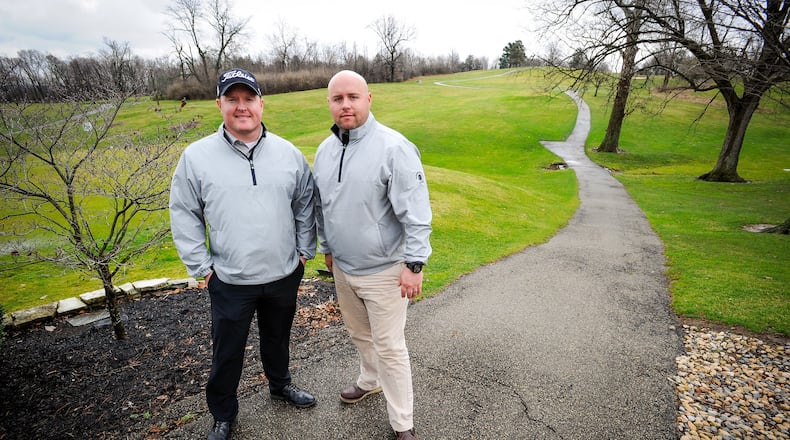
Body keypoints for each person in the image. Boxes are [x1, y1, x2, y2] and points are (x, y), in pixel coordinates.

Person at [169, 68, 317, 440]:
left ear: (261, 103)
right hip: (230, 279)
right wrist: (202, 268)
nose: (241, 107)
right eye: (232, 99)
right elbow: (184, 213)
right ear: (219, 104)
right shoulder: (196, 156)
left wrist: (303, 252)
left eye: (248, 98)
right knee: (228, 351)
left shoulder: (288, 153)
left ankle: (280, 385)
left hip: (283, 273)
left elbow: (305, 204)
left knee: (278, 337)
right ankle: (223, 413)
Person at [313, 70, 432, 440]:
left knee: (390, 347)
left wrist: (414, 265)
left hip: (385, 269)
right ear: (330, 104)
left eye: (353, 96)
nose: (345, 105)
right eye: (337, 99)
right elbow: (324, 207)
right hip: (345, 268)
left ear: (369, 99)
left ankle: (403, 424)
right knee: (359, 334)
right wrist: (328, 249)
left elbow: (415, 212)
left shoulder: (394, 147)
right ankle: (369, 379)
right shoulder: (325, 150)